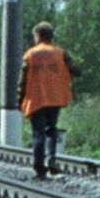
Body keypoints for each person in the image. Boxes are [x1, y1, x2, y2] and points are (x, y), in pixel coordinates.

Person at [18, 22, 75, 179]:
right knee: (51, 130)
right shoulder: (60, 53)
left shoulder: (30, 55)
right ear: (51, 36)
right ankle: (51, 160)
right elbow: (76, 70)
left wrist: (19, 99)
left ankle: (39, 167)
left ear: (37, 36)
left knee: (38, 133)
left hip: (36, 99)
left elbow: (22, 81)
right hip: (54, 98)